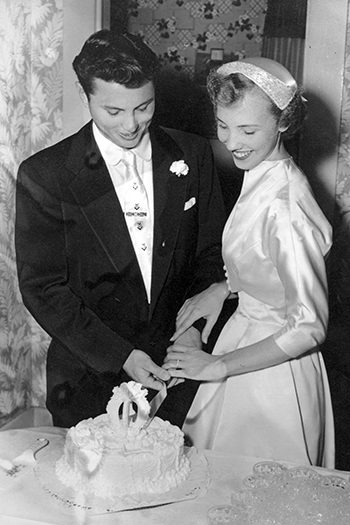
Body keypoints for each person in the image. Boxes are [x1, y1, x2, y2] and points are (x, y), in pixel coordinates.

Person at [15, 30, 226, 428]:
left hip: (182, 368)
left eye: (144, 107)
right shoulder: (45, 174)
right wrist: (121, 356)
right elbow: (42, 288)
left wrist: (192, 331)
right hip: (89, 376)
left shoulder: (193, 155)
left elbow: (212, 253)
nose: (131, 125)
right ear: (85, 97)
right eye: (113, 111)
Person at [164, 57, 335, 468]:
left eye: (247, 130)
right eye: (223, 125)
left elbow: (310, 325)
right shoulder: (261, 173)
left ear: (283, 123)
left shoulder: (286, 205)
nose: (232, 141)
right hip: (244, 344)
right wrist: (226, 287)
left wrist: (218, 366)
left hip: (274, 373)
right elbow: (263, 258)